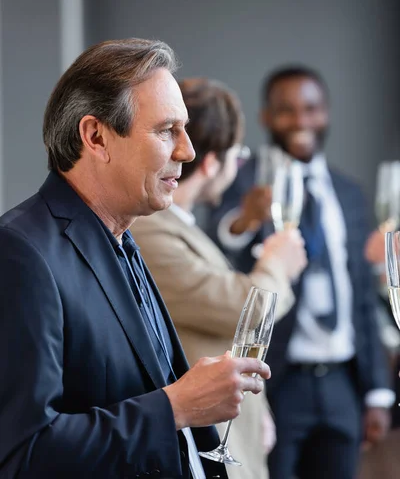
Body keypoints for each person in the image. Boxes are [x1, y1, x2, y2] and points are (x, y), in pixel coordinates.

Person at [0, 39, 273, 479]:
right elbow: (22, 455)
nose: (187, 151)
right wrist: (176, 407)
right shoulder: (21, 254)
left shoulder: (122, 237)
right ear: (96, 137)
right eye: (167, 130)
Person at [207, 65, 394, 479]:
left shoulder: (348, 192)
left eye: (311, 109)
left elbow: (362, 294)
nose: (301, 121)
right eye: (286, 110)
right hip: (275, 381)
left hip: (342, 381)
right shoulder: (242, 182)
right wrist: (245, 222)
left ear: (325, 112)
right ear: (266, 117)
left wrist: (378, 391)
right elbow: (219, 243)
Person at [131, 77, 307, 479]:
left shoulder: (179, 226)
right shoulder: (150, 231)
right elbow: (236, 309)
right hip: (197, 441)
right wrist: (278, 261)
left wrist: (258, 412)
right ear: (212, 163)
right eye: (237, 155)